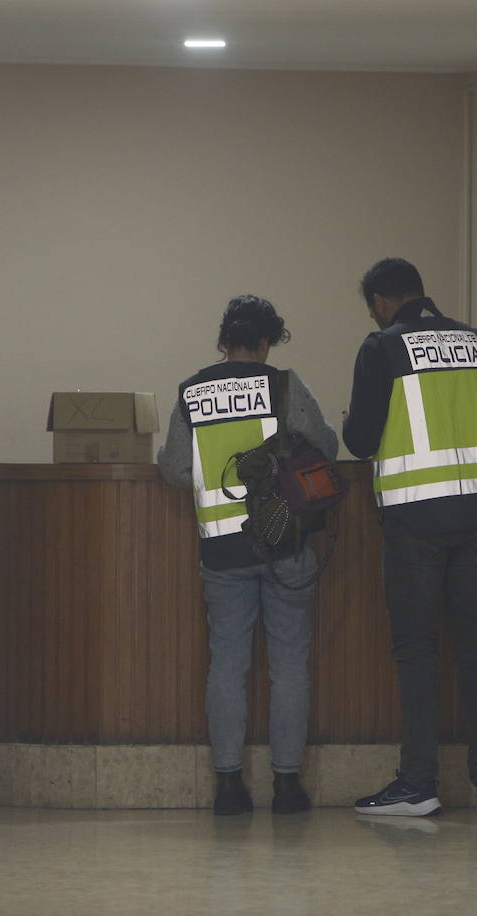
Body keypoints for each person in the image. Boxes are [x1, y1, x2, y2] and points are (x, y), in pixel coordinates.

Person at [343, 258, 477, 817]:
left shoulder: (382, 348)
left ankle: (418, 783)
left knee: (416, 653)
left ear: (380, 302)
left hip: (415, 520)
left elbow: (362, 440)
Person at [158, 295, 338, 816]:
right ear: (265, 343)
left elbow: (173, 466)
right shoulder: (283, 385)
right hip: (286, 544)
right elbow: (325, 446)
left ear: (223, 340)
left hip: (223, 549)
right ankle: (287, 787)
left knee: (228, 666)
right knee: (288, 668)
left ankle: (229, 787)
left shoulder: (192, 392)